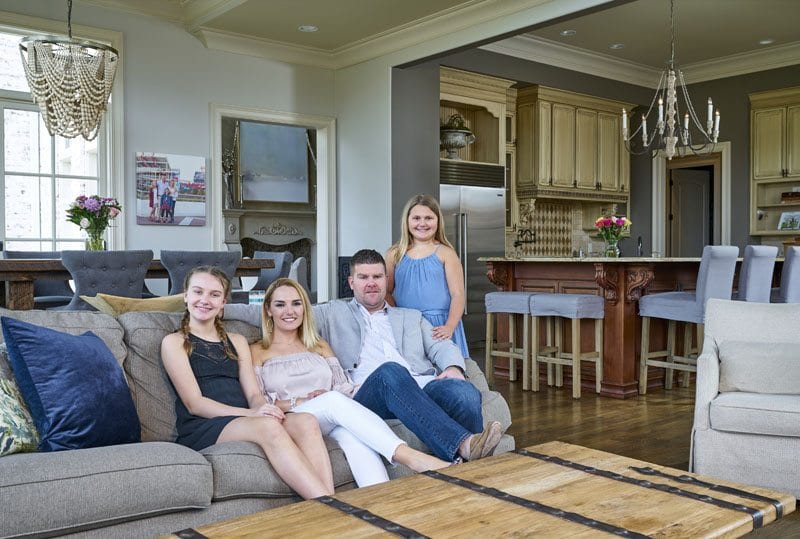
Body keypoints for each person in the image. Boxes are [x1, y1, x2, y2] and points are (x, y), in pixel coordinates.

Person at [250, 277, 450, 487]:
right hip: (291, 416)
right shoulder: (257, 351)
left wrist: (336, 395)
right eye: (280, 305)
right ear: (268, 310)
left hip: (329, 414)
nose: (289, 311)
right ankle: (412, 458)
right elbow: (259, 402)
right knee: (333, 400)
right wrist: (300, 401)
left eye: (296, 303)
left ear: (304, 309)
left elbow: (342, 386)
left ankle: (382, 501)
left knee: (357, 439)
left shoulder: (319, 345)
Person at [313, 249, 504, 463]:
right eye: (363, 277)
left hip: (419, 387)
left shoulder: (411, 316)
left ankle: (467, 467)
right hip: (368, 394)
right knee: (390, 371)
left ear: (386, 280)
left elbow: (441, 346)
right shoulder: (331, 313)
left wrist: (454, 367)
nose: (371, 283)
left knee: (465, 392)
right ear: (351, 282)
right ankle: (465, 445)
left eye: (377, 276)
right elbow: (292, 313)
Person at [161, 266, 334, 500]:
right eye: (198, 292)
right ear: (185, 296)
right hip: (203, 425)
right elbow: (195, 404)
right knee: (269, 427)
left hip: (245, 419)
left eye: (214, 294)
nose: (205, 300)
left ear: (223, 302)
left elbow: (253, 394)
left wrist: (264, 409)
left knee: (306, 421)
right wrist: (252, 414)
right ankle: (332, 506)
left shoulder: (237, 341)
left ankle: (328, 505)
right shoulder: (174, 342)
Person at [386, 194, 469, 358]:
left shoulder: (446, 253)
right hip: (408, 325)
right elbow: (386, 292)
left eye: (428, 218)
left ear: (438, 221)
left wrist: (450, 326)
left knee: (447, 366)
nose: (422, 223)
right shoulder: (394, 254)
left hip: (439, 326)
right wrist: (399, 317)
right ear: (407, 221)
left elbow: (458, 294)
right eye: (416, 218)